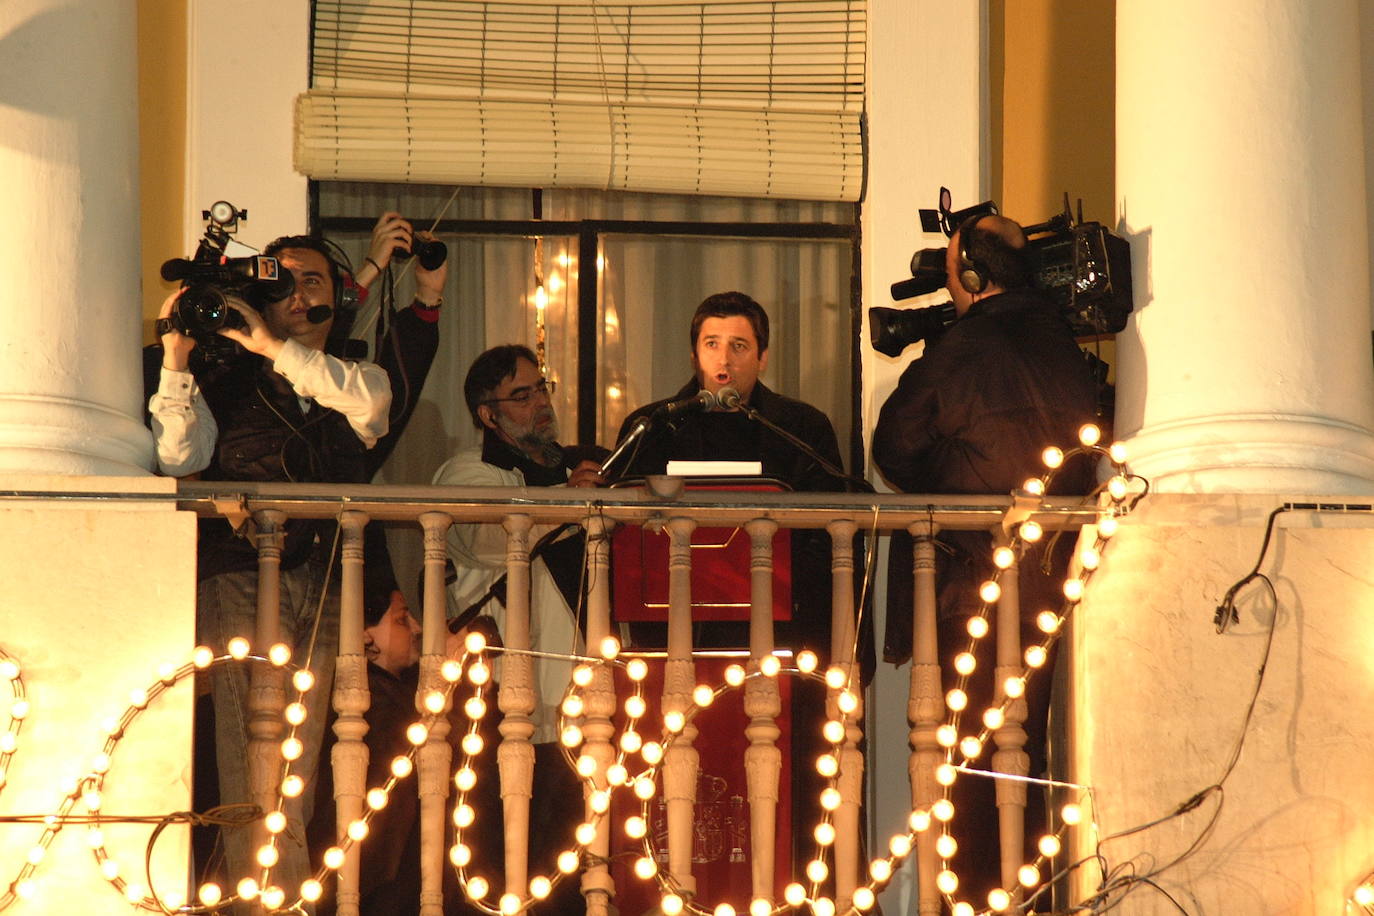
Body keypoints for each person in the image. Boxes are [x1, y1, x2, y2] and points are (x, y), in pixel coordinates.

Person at [147, 214, 447, 902]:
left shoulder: (355, 373)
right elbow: (177, 456)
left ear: (337, 299)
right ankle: (269, 898)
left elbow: (370, 405)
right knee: (251, 757)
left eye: (312, 278)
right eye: (279, 280)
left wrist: (272, 342)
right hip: (242, 573)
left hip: (328, 579)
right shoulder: (223, 376)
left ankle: (253, 892)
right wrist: (177, 356)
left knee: (297, 764)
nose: (294, 290)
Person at [872, 213, 1097, 902]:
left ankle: (972, 897)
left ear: (970, 277)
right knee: (1027, 754)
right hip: (1052, 581)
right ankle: (1025, 895)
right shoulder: (1065, 344)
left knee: (966, 764)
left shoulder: (963, 347)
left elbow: (894, 451)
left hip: (970, 583)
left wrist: (946, 464)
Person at [430, 344, 603, 914]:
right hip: (503, 712)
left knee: (571, 879)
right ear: (488, 414)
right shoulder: (466, 472)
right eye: (521, 395)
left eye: (542, 388)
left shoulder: (576, 474)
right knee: (494, 870)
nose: (541, 403)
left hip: (579, 710)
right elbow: (493, 533)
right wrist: (570, 499)